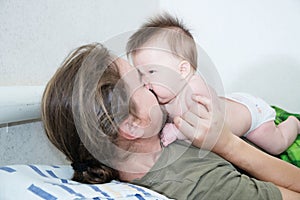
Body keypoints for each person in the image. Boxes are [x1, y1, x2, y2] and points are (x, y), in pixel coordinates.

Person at [41, 43, 300, 199]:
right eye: (142, 83)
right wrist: (227, 144)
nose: (155, 84)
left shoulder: (160, 140)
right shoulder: (201, 185)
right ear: (132, 125)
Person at [126, 13, 300, 155]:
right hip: (229, 100)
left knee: (276, 145)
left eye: (151, 72)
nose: (145, 81)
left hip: (251, 114)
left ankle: (294, 123)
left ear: (182, 71)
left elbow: (204, 128)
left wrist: (177, 131)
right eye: (140, 74)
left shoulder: (195, 91)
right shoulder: (163, 93)